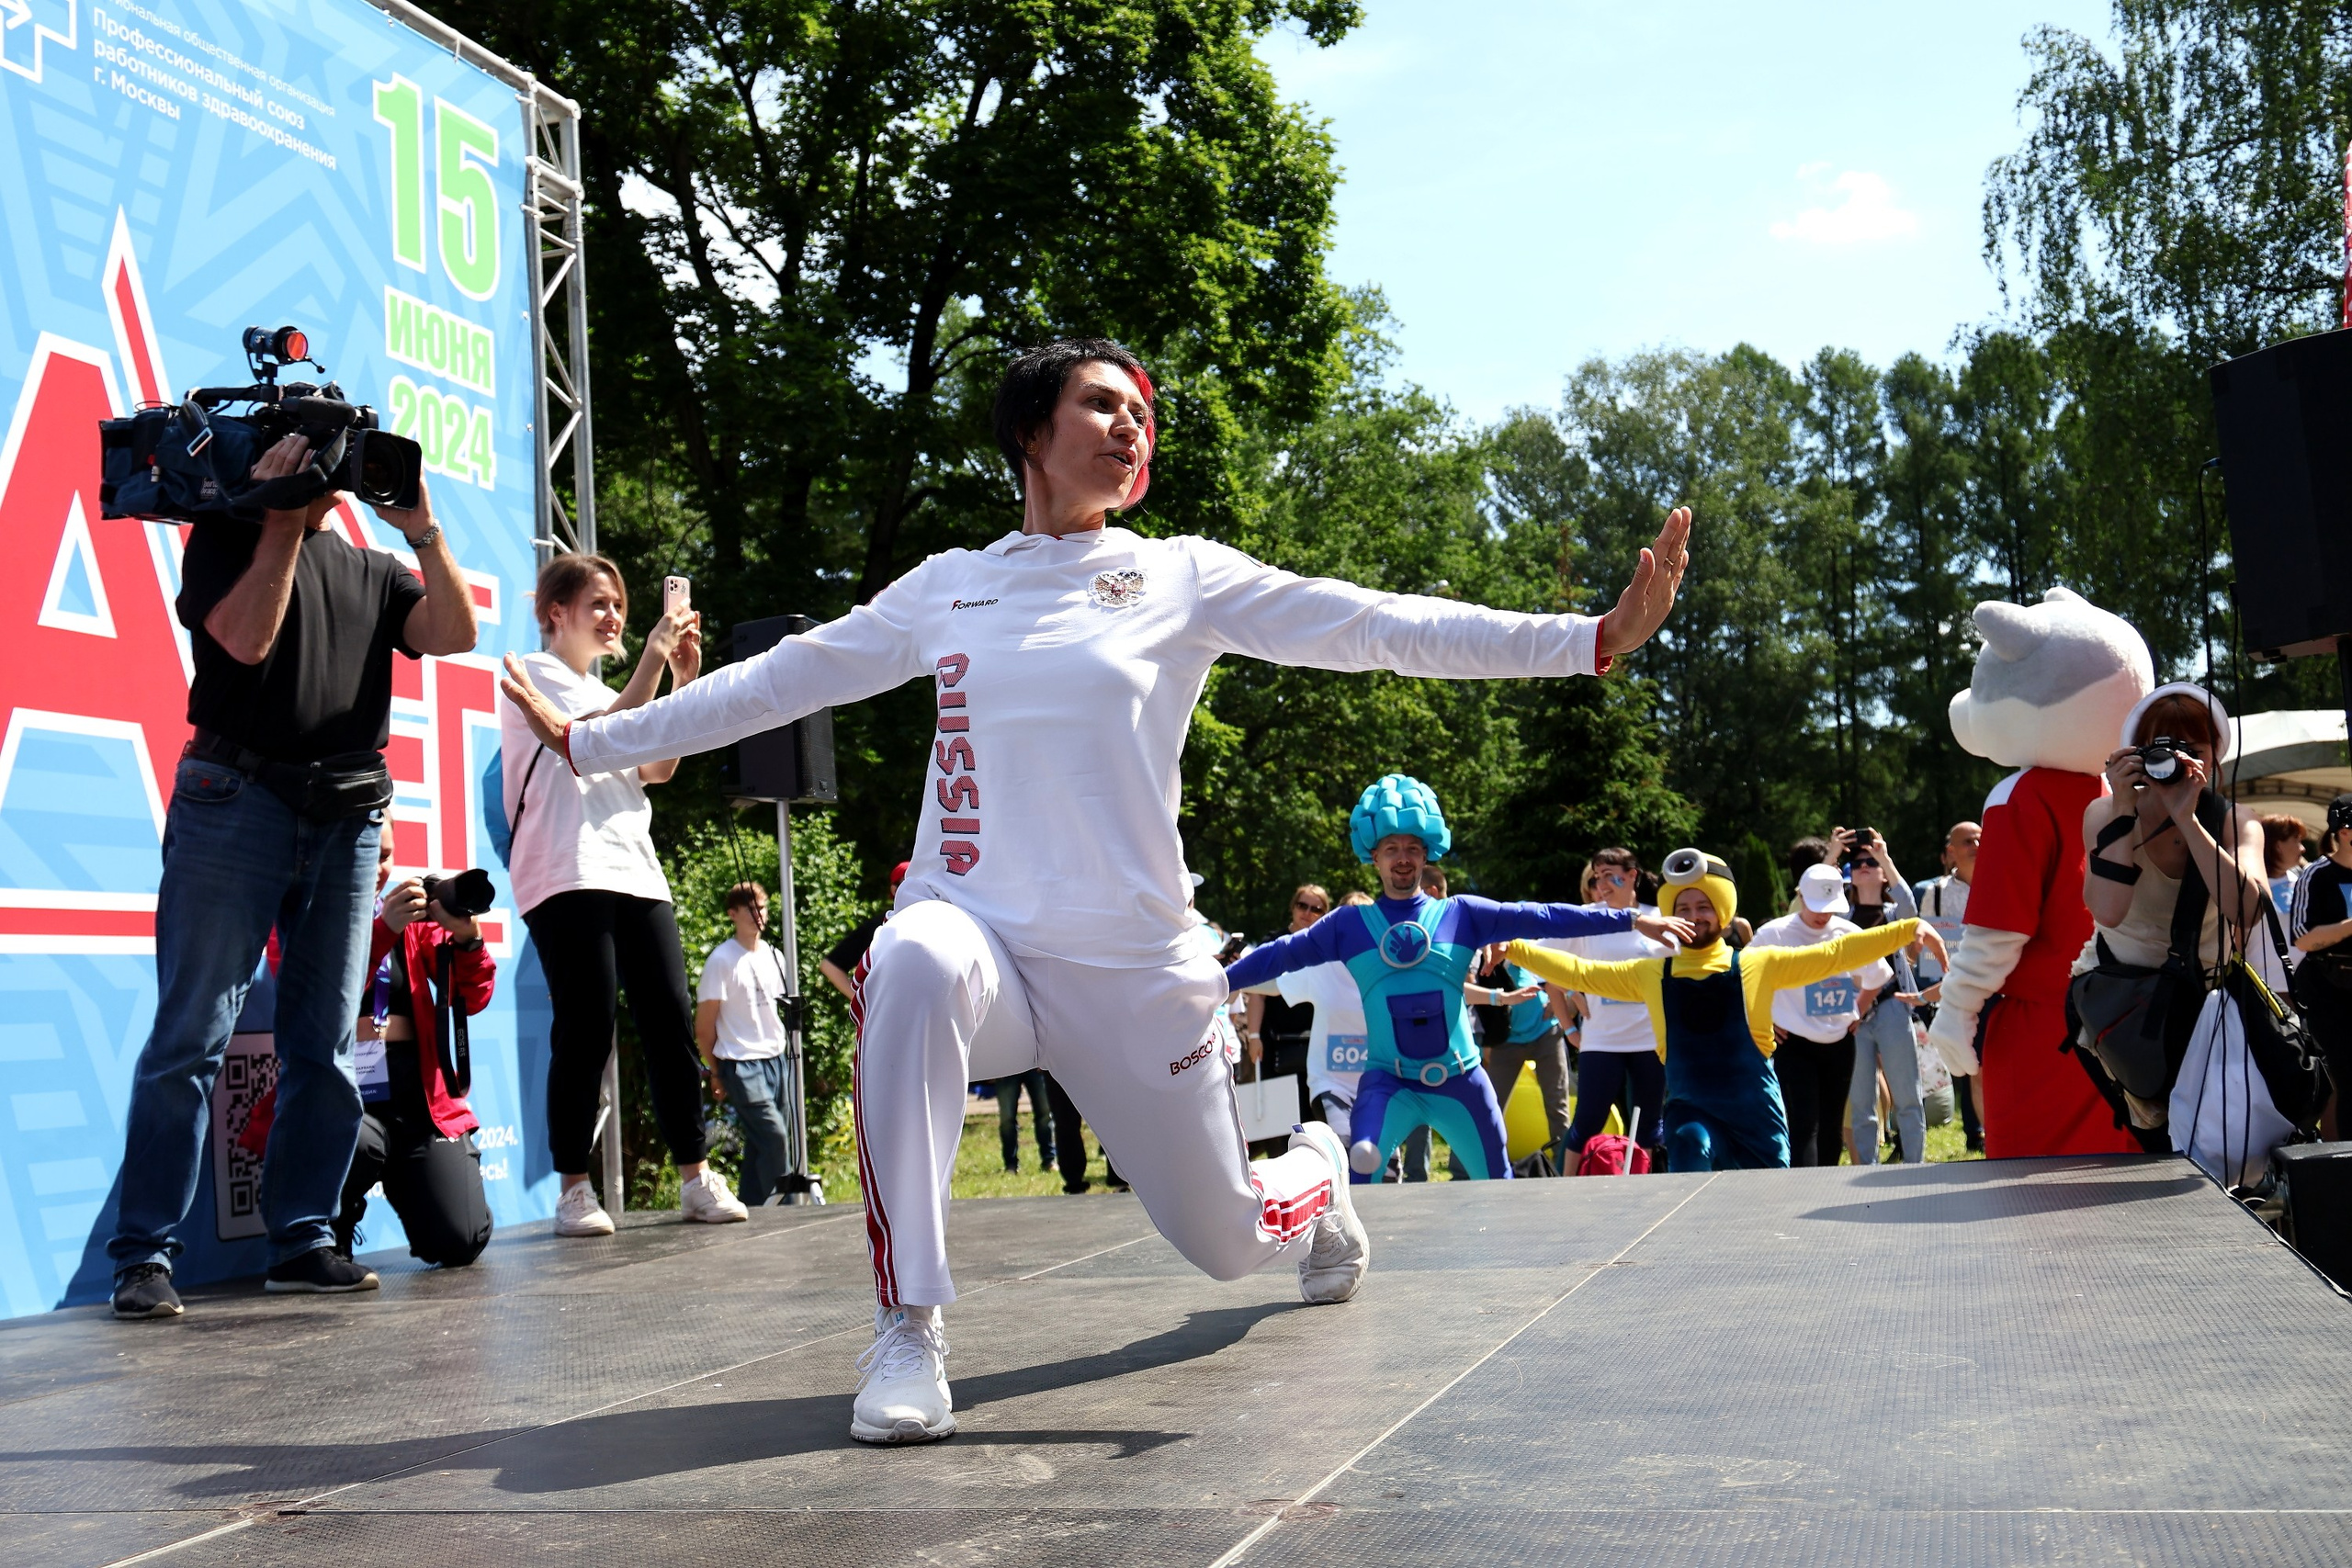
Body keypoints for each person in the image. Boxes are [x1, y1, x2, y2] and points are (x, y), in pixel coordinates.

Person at [500, 338, 1694, 1443]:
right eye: (1103, 404)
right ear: (1034, 429)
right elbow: (781, 679)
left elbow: (1377, 624)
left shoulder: (1180, 577)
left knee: (1228, 1240)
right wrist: (597, 740)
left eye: (1143, 414)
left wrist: (1586, 638)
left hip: (1133, 970)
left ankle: (1315, 1178)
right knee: (904, 963)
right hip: (977, 933)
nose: (1131, 428)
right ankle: (910, 1324)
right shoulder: (952, 586)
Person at [108, 444, 477, 1320]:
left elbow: (455, 633)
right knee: (192, 1035)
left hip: (348, 815)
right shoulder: (227, 533)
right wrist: (277, 515)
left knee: (323, 1042)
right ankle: (143, 1256)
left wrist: (423, 529)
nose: (327, 474)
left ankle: (305, 1239)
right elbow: (243, 639)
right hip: (233, 796)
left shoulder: (378, 569)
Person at [1221, 776, 1691, 1185]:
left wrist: (1632, 921)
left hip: (1462, 1083)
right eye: (1391, 849)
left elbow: (1543, 915)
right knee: (1357, 1181)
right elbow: (1278, 956)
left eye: (1412, 849)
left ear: (1426, 854)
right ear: (1374, 857)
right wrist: (1217, 983)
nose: (1402, 859)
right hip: (1389, 1085)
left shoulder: (1461, 914)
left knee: (1499, 1187)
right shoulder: (1348, 926)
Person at [502, 553, 748, 1237]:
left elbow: (657, 766)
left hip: (635, 866)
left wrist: (681, 679)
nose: (613, 616)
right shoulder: (531, 674)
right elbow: (596, 739)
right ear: (557, 612)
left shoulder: (610, 684)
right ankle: (575, 1187)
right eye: (598, 604)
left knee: (670, 1016)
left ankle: (694, 1175)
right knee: (587, 1023)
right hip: (566, 867)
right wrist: (650, 664)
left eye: (618, 605)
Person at [1507, 851, 1923, 1173]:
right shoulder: (1652, 973)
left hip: (1757, 1119)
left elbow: (1836, 952)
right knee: (1687, 1144)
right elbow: (1579, 971)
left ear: (1722, 912)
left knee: (1769, 1211)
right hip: (1692, 1113)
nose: (1693, 917)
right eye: (1683, 908)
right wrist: (1514, 946)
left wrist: (1908, 928)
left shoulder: (1758, 964)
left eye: (1703, 907)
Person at [2070, 683, 2280, 1141]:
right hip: (2123, 1003)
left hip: (2205, 1005)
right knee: (2158, 1143)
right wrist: (2125, 810)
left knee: (2218, 1142)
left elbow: (2247, 910)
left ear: (2214, 757)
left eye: (2193, 747)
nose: (2177, 759)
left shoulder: (2233, 820)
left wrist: (2189, 818)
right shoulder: (2104, 813)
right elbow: (2107, 911)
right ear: (2135, 753)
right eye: (2162, 746)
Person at [333, 836, 497, 1266]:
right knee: (360, 1141)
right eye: (364, 851)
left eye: (385, 855)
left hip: (415, 1095)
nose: (378, 867)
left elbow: (473, 997)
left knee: (460, 1240)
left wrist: (467, 940)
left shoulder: (412, 919)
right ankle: (330, 1231)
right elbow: (322, 998)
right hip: (340, 1091)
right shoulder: (306, 912)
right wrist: (383, 927)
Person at [1748, 863, 1894, 1168]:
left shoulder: (1849, 933)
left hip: (1840, 1041)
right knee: (1803, 1125)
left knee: (1832, 1123)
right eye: (1816, 906)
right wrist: (1764, 1019)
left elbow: (1879, 974)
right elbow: (1743, 977)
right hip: (1793, 1042)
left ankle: (1825, 1185)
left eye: (1829, 908)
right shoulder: (1773, 933)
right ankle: (1801, 1190)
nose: (1822, 915)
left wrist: (1859, 1009)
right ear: (1800, 897)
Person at [1545, 849, 1669, 1164]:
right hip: (1601, 1040)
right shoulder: (1587, 918)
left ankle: (1646, 1188)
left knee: (1648, 1127)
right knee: (1588, 1121)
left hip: (1649, 1040)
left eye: (1610, 875)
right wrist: (1571, 1018)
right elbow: (1546, 966)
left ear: (1632, 876)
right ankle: (1565, 1190)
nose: (1602, 883)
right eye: (1597, 877)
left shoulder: (1658, 918)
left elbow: (1686, 968)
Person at [1836, 829, 1943, 1165]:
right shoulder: (1841, 917)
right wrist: (1832, 853)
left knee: (1907, 1096)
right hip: (1853, 1014)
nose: (1864, 866)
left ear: (1883, 873)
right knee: (1862, 1100)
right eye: (1857, 862)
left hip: (1894, 1007)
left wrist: (1884, 855)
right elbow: (1816, 898)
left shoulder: (1895, 914)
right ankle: (1866, 1166)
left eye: (1871, 862)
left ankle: (1915, 1166)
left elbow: (1911, 907)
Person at [696, 882, 797, 1206]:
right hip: (739, 1063)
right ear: (732, 914)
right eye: (750, 910)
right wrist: (715, 1072)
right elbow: (704, 1025)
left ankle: (753, 1207)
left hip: (775, 1059)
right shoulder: (721, 960)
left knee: (760, 1143)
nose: (758, 915)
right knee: (775, 1138)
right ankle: (783, 1209)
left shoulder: (775, 956)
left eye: (763, 908)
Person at [1915, 821, 1983, 1150]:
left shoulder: (1998, 884)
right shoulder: (1931, 892)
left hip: (1984, 986)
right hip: (1941, 989)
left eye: (1981, 839)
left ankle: (1977, 1132)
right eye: (1968, 841)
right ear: (1951, 851)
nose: (1976, 845)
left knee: (1978, 1064)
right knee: (1947, 1064)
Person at [2290, 795, 2352, 1139]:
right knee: (2346, 1078)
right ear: (2344, 831)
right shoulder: (2317, 875)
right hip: (2331, 994)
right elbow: (2302, 939)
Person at [1239, 885, 1331, 1103]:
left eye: (1315, 909)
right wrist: (1253, 1037)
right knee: (1281, 1113)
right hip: (1274, 1041)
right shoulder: (1274, 943)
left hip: (1316, 1042)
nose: (1307, 913)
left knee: (1316, 1113)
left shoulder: (1327, 948)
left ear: (1324, 914)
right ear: (1293, 907)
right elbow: (1257, 993)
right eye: (1302, 905)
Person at [820, 861, 910, 1002]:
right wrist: (862, 1005)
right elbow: (830, 966)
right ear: (894, 890)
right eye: (909, 884)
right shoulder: (880, 927)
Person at [988, 1070, 1057, 1173]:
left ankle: (1049, 1160)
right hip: (1007, 1066)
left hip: (1036, 1064)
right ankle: (1010, 1164)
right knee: (1007, 1118)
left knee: (1045, 1114)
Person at [2260, 814, 2312, 924]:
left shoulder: (2301, 877)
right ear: (2278, 846)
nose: (2303, 849)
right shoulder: (2253, 885)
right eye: (2296, 840)